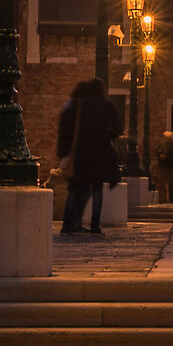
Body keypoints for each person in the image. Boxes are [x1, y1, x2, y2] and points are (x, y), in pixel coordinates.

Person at [56, 78, 125, 236]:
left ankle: (67, 225)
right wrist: (106, 135)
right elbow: (118, 128)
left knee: (74, 189)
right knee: (97, 189)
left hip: (80, 153)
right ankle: (95, 225)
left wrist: (64, 152)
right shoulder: (107, 105)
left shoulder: (78, 105)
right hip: (100, 153)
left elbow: (66, 130)